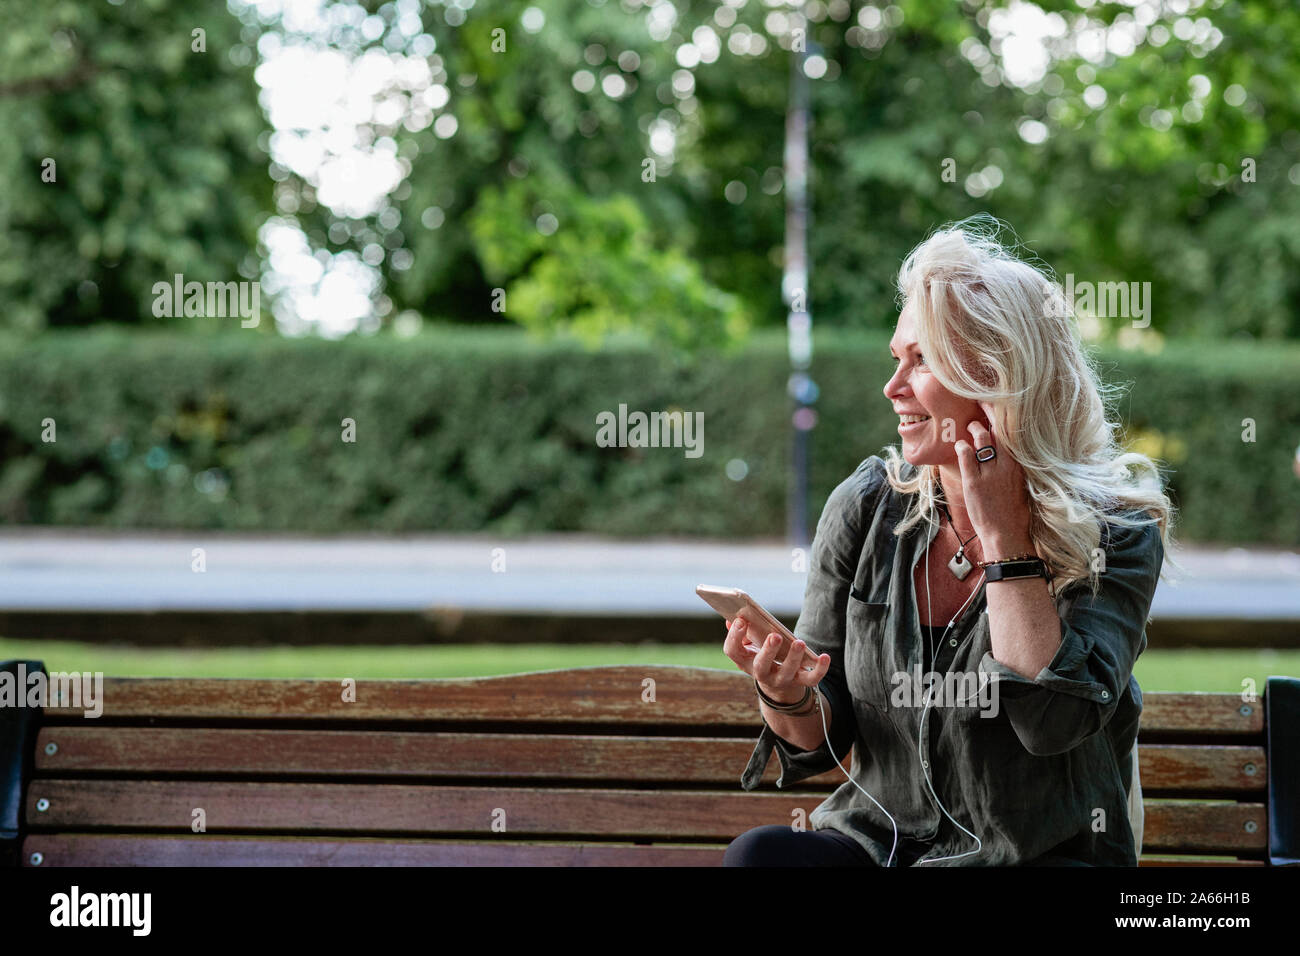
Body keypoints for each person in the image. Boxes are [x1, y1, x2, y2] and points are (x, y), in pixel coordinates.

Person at [723, 216, 1179, 866]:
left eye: (922, 362)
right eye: (896, 359)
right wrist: (786, 692)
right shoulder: (867, 505)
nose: (893, 388)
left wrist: (1006, 544)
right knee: (761, 857)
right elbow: (823, 741)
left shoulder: (1118, 530)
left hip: (1036, 857)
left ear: (998, 376)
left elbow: (1051, 724)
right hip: (881, 848)